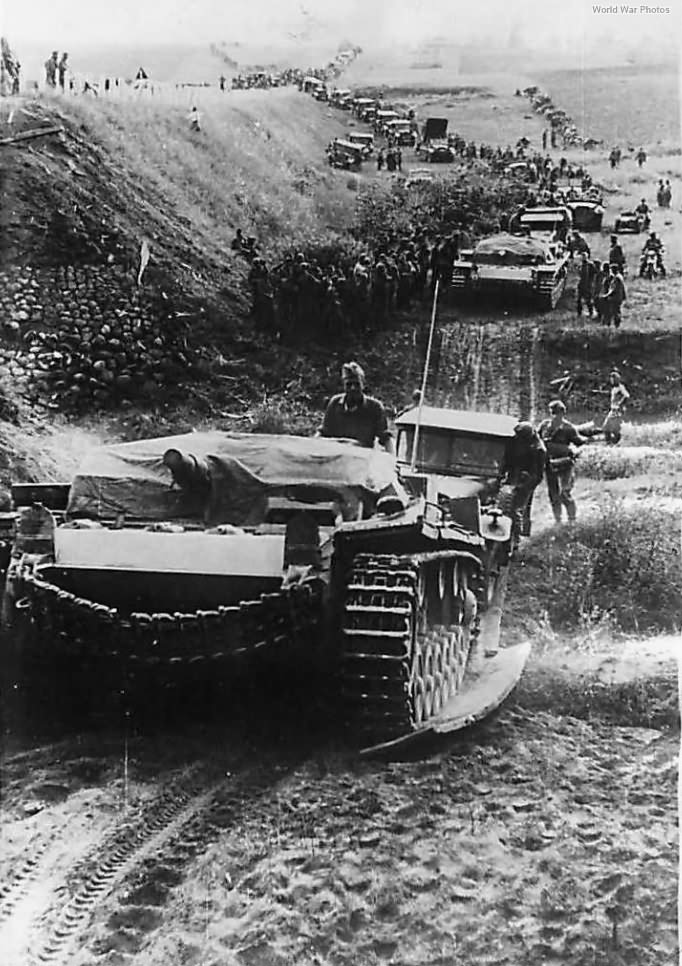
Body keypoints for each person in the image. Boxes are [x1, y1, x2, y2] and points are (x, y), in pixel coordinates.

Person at [320, 361, 394, 453]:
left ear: (363, 384)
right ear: (343, 385)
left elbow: (386, 438)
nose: (353, 388)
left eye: (356, 384)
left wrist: (392, 460)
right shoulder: (335, 404)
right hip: (336, 458)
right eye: (349, 384)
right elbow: (323, 433)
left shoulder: (374, 407)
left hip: (362, 460)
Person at [537, 400, 586, 525]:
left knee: (564, 493)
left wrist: (575, 449)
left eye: (557, 413)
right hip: (550, 464)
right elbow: (537, 440)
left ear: (563, 413)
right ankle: (557, 520)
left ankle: (572, 520)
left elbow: (579, 443)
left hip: (565, 464)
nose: (554, 415)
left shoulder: (568, 428)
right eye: (552, 412)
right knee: (553, 494)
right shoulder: (544, 426)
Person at [498, 421, 546, 543]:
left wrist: (523, 486)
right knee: (505, 504)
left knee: (516, 508)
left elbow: (537, 475)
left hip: (526, 478)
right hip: (513, 474)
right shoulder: (515, 441)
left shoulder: (538, 449)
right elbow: (507, 459)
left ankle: (515, 540)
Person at [602, 370, 630, 445]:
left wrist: (620, 404)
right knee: (606, 427)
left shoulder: (621, 387)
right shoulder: (614, 388)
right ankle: (609, 443)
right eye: (611, 380)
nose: (612, 381)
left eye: (613, 379)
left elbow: (626, 396)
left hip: (617, 411)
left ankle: (615, 442)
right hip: (613, 410)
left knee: (614, 429)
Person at [605, 263, 627, 328]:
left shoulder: (616, 278)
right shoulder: (619, 276)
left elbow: (613, 288)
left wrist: (606, 295)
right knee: (617, 311)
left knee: (614, 311)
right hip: (619, 297)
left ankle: (616, 325)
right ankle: (616, 324)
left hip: (615, 297)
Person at [576, 252, 596, 318]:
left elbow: (594, 273)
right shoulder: (581, 265)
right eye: (582, 257)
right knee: (579, 300)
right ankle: (579, 313)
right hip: (581, 284)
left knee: (588, 300)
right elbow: (580, 274)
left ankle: (591, 312)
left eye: (584, 256)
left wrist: (591, 282)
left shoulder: (590, 265)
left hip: (587, 284)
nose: (583, 258)